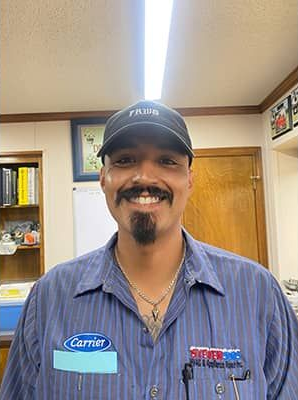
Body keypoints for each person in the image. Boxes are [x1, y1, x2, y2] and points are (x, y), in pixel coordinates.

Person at [1, 100, 298, 400]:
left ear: (189, 179)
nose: (144, 177)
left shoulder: (259, 294)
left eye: (167, 161)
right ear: (103, 178)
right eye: (125, 159)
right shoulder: (50, 299)